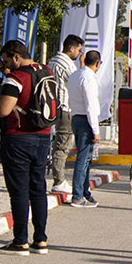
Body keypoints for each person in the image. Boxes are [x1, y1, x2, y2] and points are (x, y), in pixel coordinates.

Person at [0, 40, 53, 255]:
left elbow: (4, 110)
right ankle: (41, 240)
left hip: (18, 139)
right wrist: (2, 67)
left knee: (18, 191)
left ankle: (20, 241)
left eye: (7, 60)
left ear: (16, 56)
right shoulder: (46, 71)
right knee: (38, 190)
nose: (6, 65)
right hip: (43, 137)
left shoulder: (16, 78)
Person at [46, 34, 83, 195]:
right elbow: (77, 82)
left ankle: (58, 178)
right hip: (65, 106)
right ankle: (59, 180)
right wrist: (82, 67)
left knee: (57, 144)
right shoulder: (66, 64)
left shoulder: (52, 61)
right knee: (63, 144)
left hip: (52, 106)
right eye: (78, 50)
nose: (79, 54)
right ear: (71, 48)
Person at [67, 49, 102, 208]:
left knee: (86, 159)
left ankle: (85, 192)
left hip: (75, 117)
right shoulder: (89, 78)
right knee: (83, 159)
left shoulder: (75, 75)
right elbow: (90, 106)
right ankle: (77, 195)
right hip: (85, 120)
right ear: (97, 63)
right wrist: (96, 130)